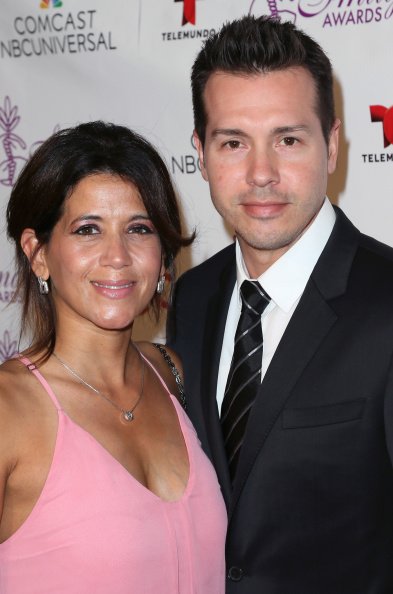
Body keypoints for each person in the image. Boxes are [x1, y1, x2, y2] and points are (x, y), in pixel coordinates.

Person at [167, 15, 393, 594]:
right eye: (233, 142)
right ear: (201, 152)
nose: (260, 174)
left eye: (288, 140)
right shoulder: (191, 297)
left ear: (333, 145)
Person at [0, 121, 227, 593]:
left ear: (162, 254)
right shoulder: (9, 409)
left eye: (138, 229)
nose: (117, 256)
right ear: (38, 253)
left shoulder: (172, 374)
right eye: (88, 230)